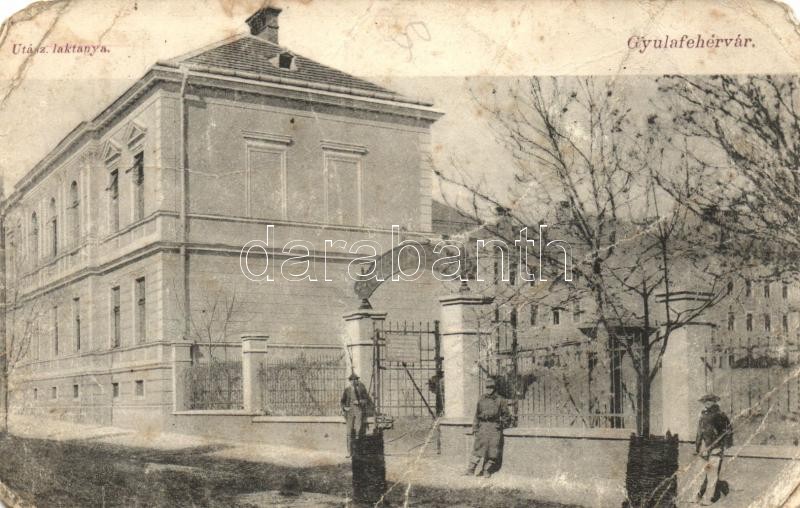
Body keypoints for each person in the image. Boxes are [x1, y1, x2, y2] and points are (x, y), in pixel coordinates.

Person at [464, 376, 511, 478]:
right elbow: (477, 415)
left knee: (493, 451)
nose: (489, 389)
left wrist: (500, 425)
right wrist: (475, 428)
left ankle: (486, 470)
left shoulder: (501, 400)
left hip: (494, 428)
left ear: (495, 388)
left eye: (491, 387)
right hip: (482, 427)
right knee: (478, 449)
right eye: (487, 387)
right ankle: (471, 470)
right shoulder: (481, 399)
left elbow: (507, 416)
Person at [694, 393, 733, 505]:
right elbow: (699, 432)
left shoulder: (720, 415)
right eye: (705, 401)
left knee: (711, 473)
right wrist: (697, 446)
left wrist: (721, 446)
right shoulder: (702, 414)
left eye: (710, 400)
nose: (707, 402)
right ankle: (716, 489)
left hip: (716, 448)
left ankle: (709, 497)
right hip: (705, 448)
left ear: (715, 402)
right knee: (705, 472)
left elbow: (727, 431)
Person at [341, 372, 373, 457]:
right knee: (349, 432)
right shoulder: (347, 390)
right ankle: (349, 452)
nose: (354, 381)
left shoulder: (361, 390)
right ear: (350, 381)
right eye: (352, 380)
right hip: (349, 413)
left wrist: (359, 402)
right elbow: (342, 401)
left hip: (358, 411)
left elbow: (366, 400)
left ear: (357, 381)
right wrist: (345, 408)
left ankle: (357, 452)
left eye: (355, 380)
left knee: (358, 431)